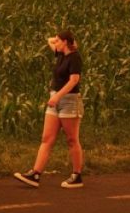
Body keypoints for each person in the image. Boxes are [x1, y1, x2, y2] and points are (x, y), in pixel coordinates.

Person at [14, 30, 85, 189]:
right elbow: (49, 40)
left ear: (65, 42)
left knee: (72, 139)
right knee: (47, 138)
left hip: (69, 101)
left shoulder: (74, 57)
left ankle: (77, 175)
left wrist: (57, 96)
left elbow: (74, 80)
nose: (55, 43)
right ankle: (36, 174)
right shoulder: (60, 54)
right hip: (55, 99)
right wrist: (61, 40)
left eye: (59, 41)